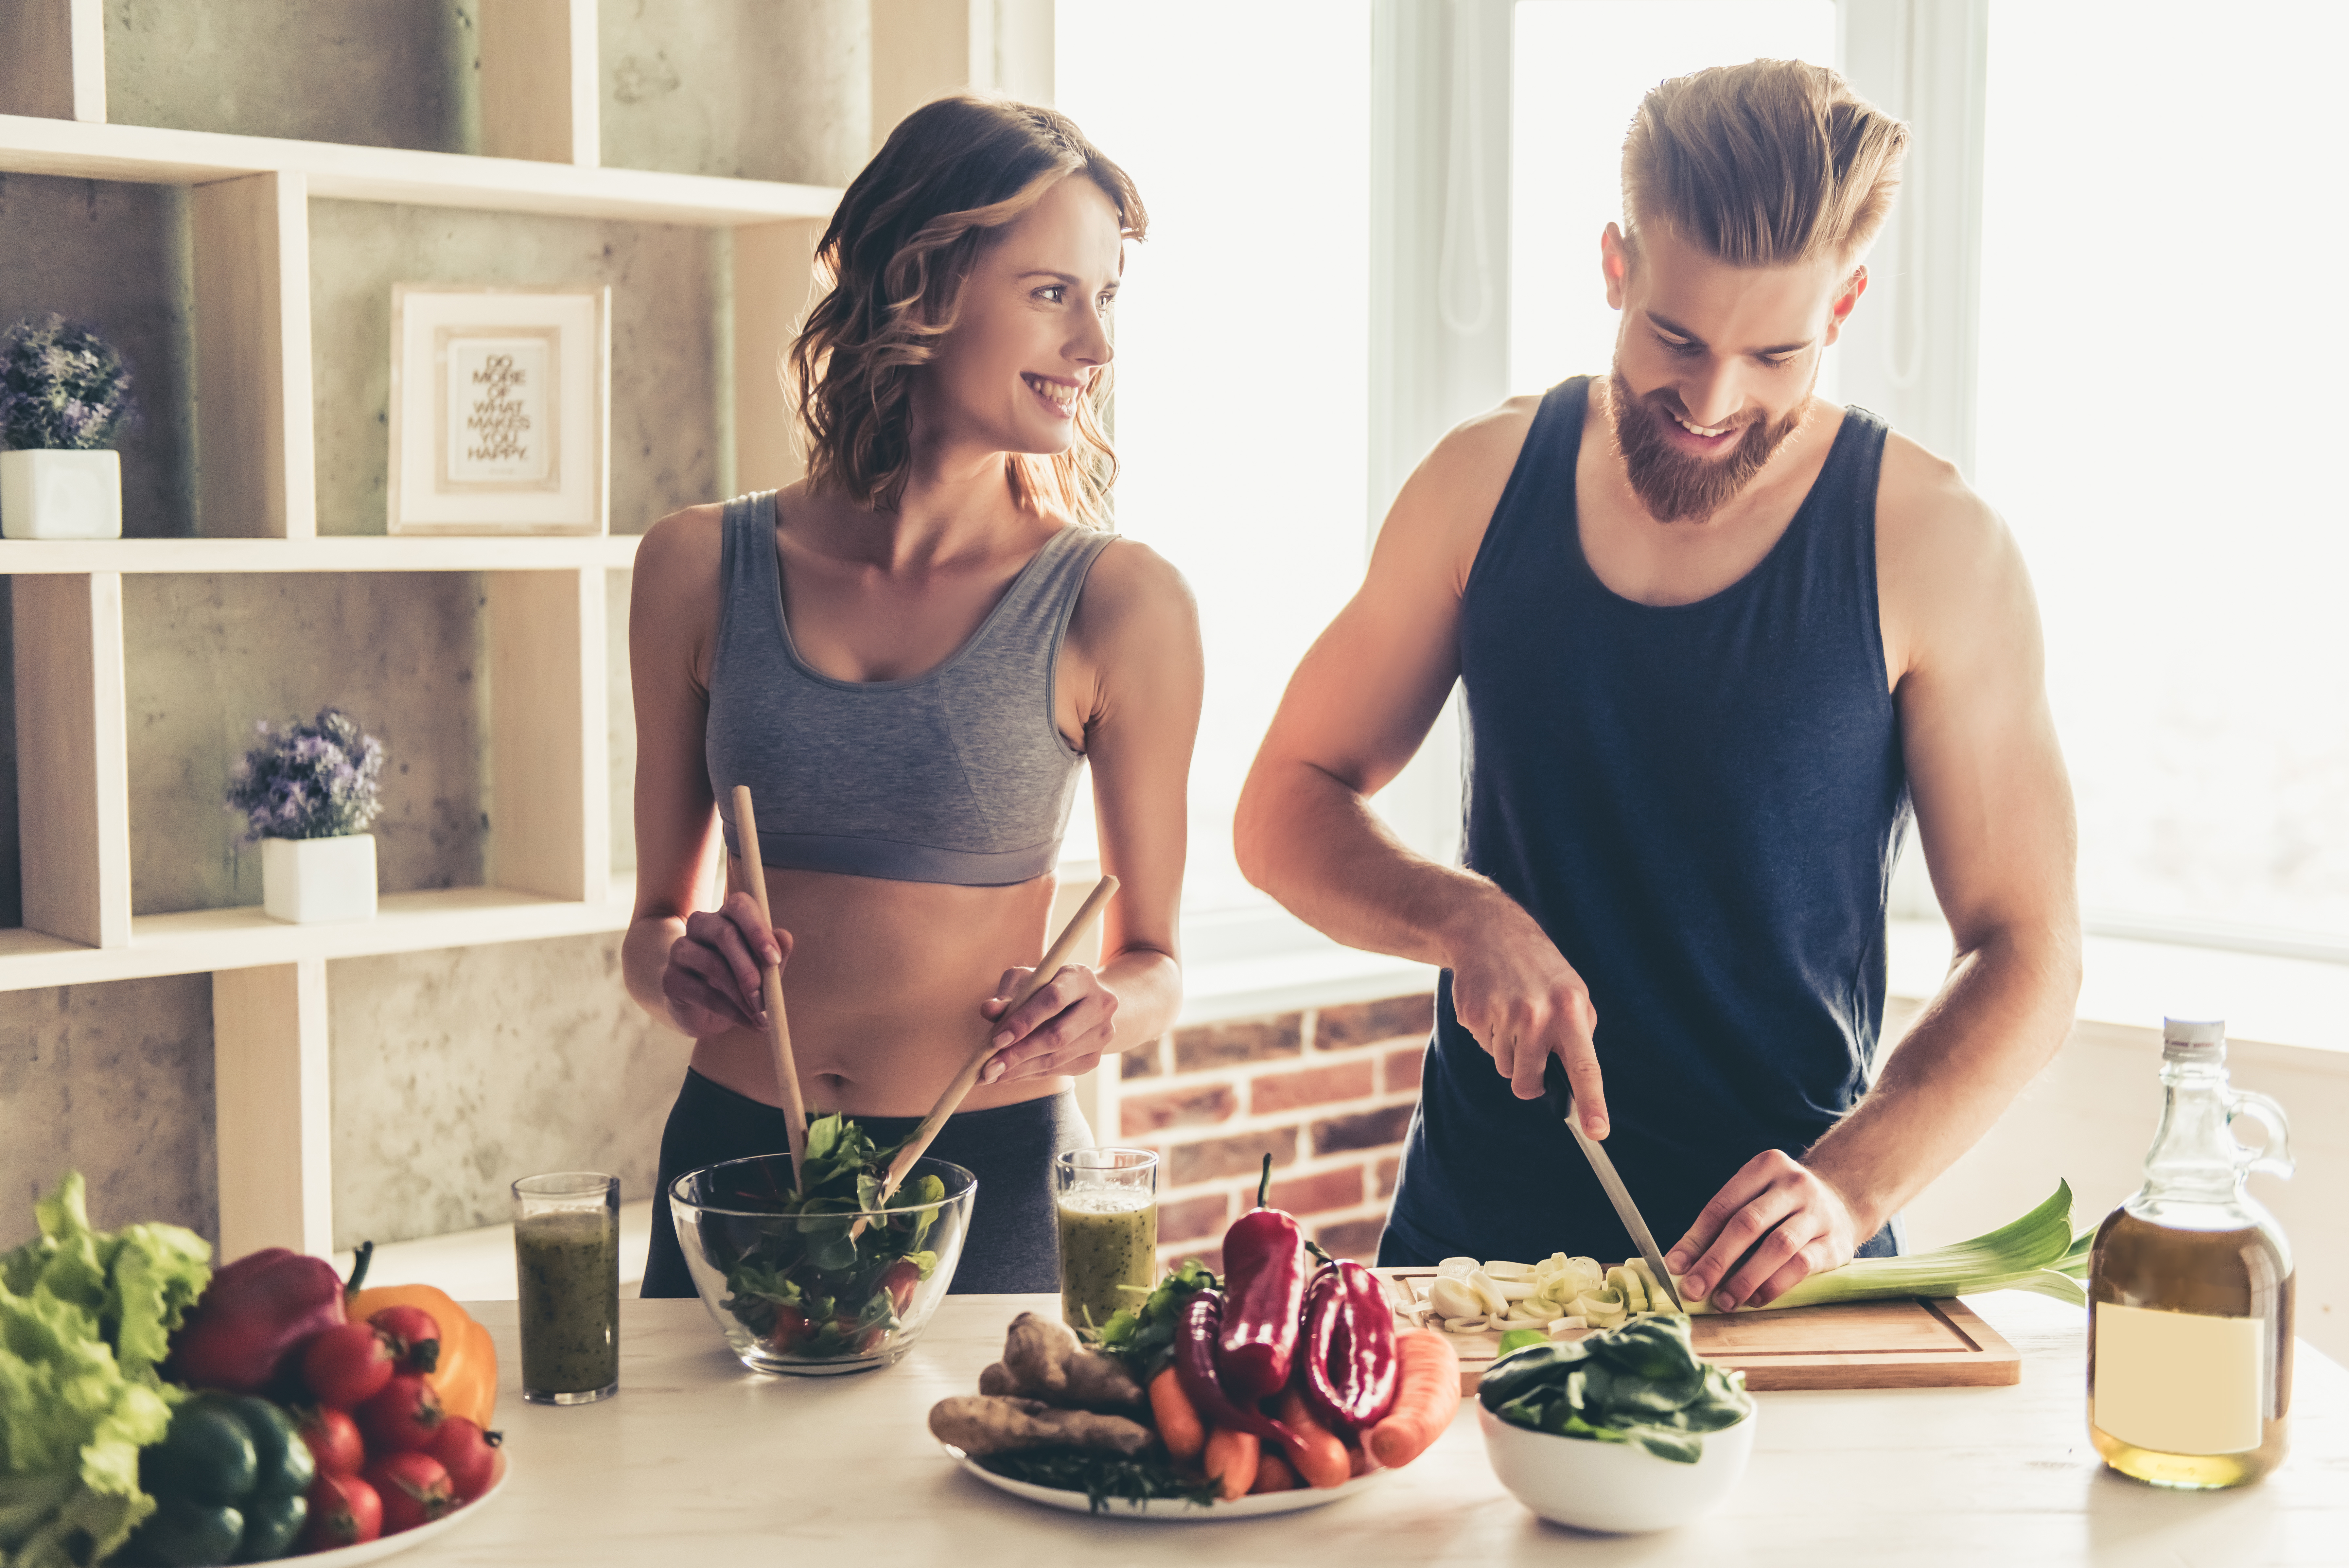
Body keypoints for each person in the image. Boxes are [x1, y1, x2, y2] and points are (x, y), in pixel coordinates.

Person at [1234, 61, 2080, 1312]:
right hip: (1469, 1262)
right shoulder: (1480, 483)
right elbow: (1282, 807)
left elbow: (2030, 951)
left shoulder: (1935, 543)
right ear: (1616, 268)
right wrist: (1461, 915)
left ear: (1842, 306)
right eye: (1675, 339)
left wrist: (1850, 1188)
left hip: (1771, 1283)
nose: (1712, 400)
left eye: (1774, 354)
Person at [623, 96, 1202, 1296]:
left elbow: (1154, 958)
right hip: (734, 1167)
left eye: (1107, 299)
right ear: (920, 285)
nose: (1096, 345)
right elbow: (651, 933)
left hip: (986, 1175)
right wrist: (678, 966)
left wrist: (1103, 1010)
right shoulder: (693, 567)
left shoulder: (1121, 604)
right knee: (706, 1495)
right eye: (1054, 293)